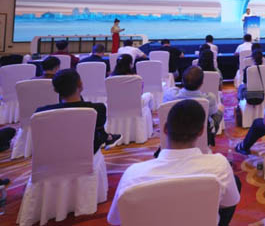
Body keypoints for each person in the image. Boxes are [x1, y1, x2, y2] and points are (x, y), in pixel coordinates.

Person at [107, 100, 240, 226]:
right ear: (201, 131)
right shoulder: (219, 166)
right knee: (234, 181)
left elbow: (115, 219)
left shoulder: (133, 175)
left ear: (165, 129)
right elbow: (230, 201)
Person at [36, 69, 121, 152]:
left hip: (56, 152)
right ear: (80, 85)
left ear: (55, 90)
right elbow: (98, 136)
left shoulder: (41, 113)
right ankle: (108, 138)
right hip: (87, 151)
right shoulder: (98, 109)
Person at [163, 66, 222, 143]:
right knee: (219, 109)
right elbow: (212, 113)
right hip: (200, 133)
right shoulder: (209, 98)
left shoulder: (169, 95)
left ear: (182, 81)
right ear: (201, 84)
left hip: (175, 133)